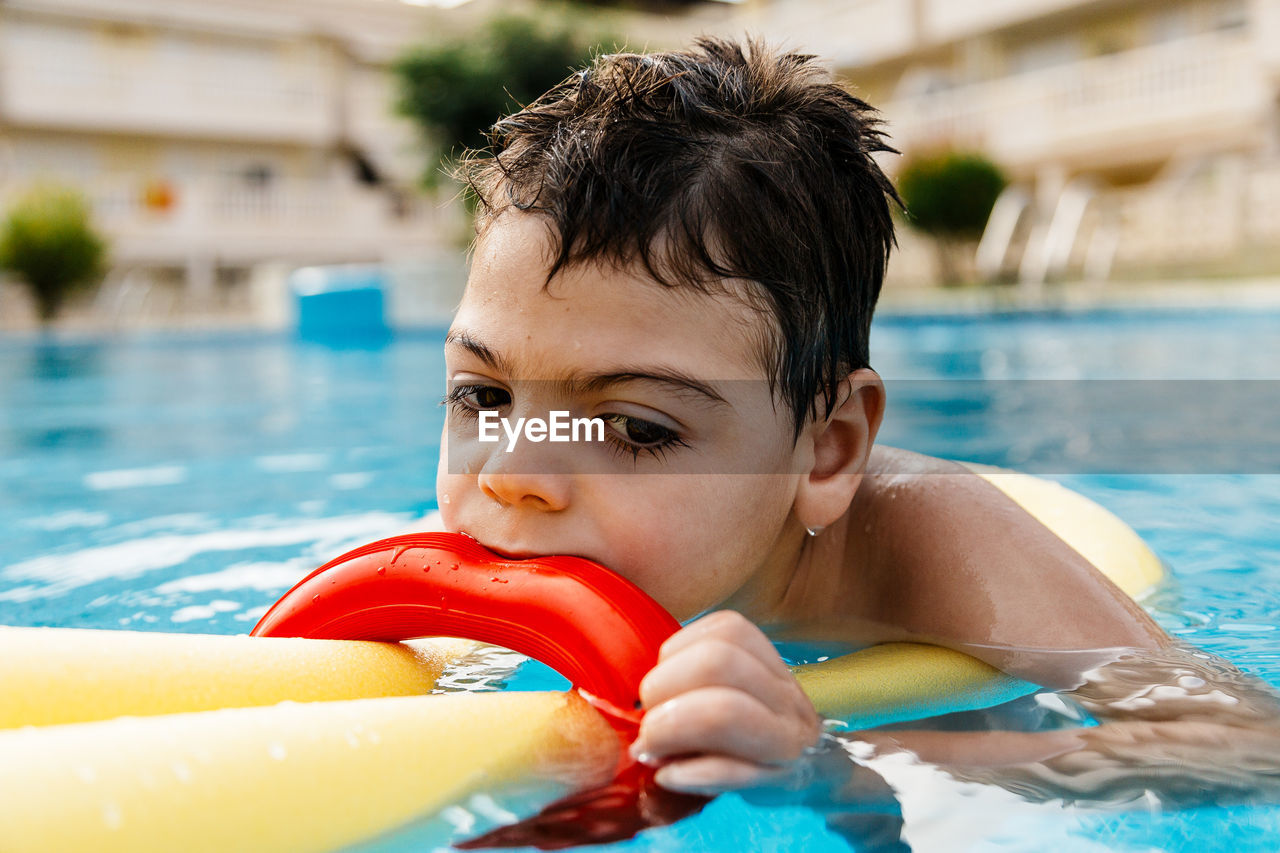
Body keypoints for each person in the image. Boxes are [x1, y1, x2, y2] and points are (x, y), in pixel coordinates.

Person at [426, 36, 1280, 815]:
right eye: (482, 396)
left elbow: (1247, 745)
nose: (512, 470)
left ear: (828, 449)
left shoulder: (935, 538)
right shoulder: (484, 521)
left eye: (636, 427)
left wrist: (829, 759)